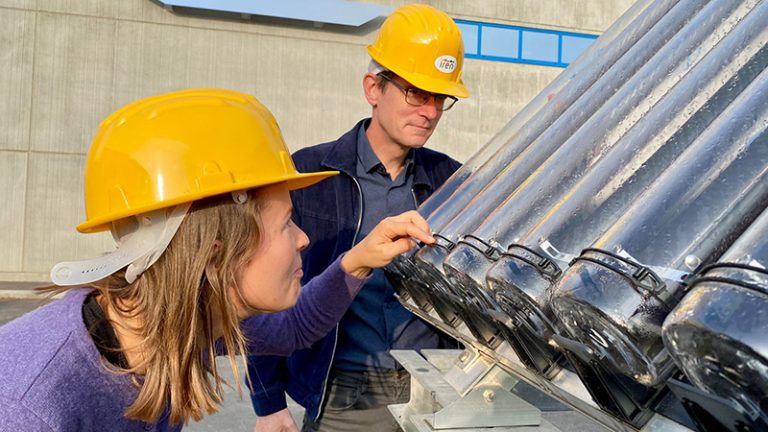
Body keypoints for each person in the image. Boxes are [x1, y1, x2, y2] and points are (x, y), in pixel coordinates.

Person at [0, 88, 436, 432]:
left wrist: (358, 259)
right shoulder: (30, 406)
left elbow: (294, 328)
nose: (303, 238)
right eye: (286, 222)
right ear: (218, 253)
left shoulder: (176, 317)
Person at [248, 4, 469, 431]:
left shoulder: (451, 181)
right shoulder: (309, 175)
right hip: (345, 399)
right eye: (416, 93)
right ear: (373, 88)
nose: (430, 111)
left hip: (437, 392)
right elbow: (261, 292)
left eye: (440, 99)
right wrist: (268, 401)